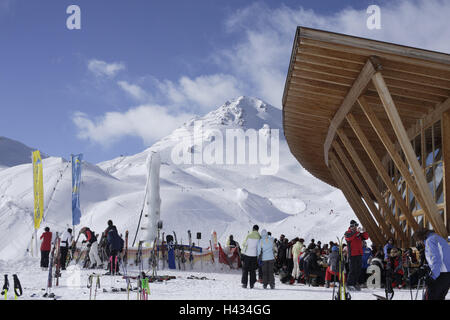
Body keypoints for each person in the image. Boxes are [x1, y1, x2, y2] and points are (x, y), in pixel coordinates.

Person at [414, 227, 450, 300]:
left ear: (420, 237)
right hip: (447, 275)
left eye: (418, 241)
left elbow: (436, 259)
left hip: (439, 275)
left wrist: (432, 277)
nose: (419, 243)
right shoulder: (439, 238)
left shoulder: (430, 241)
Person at [344, 220, 369, 291]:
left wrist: (364, 231)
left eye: (357, 226)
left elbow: (366, 237)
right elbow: (349, 238)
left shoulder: (358, 234)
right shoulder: (348, 233)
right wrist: (357, 232)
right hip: (352, 254)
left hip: (359, 254)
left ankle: (354, 283)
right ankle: (349, 284)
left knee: (358, 270)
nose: (356, 227)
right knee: (352, 270)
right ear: (352, 226)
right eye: (355, 226)